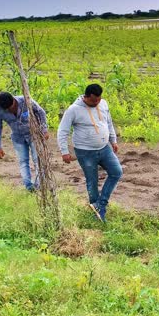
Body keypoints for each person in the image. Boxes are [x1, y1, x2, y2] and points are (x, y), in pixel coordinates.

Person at [58, 83, 122, 222]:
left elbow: (108, 123)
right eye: (93, 100)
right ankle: (98, 213)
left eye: (99, 100)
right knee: (92, 182)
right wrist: (64, 151)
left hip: (104, 148)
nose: (96, 103)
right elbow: (63, 131)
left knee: (116, 172)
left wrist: (113, 140)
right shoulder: (73, 110)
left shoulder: (103, 104)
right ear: (85, 97)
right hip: (85, 152)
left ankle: (100, 204)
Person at [0, 91, 49, 192]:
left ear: (14, 100)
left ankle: (40, 186)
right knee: (23, 161)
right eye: (6, 110)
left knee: (38, 160)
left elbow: (41, 112)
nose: (9, 111)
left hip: (34, 135)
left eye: (11, 108)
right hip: (18, 137)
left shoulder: (25, 101)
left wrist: (44, 129)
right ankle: (29, 187)